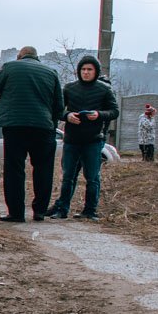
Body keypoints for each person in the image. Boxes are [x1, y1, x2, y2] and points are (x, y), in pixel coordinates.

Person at [0, 46, 64, 222]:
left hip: (15, 126)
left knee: (14, 170)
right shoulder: (51, 73)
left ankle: (16, 213)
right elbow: (59, 106)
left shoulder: (10, 67)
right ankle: (40, 211)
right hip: (43, 127)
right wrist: (51, 124)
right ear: (37, 57)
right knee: (43, 169)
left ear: (19, 56)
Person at [48, 55, 119, 221]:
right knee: (68, 177)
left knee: (92, 178)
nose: (86, 72)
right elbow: (57, 109)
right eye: (83, 69)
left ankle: (90, 210)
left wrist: (99, 114)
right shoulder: (69, 88)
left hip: (93, 140)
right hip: (72, 139)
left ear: (96, 71)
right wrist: (67, 116)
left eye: (89, 69)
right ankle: (62, 209)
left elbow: (114, 111)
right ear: (79, 71)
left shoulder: (104, 89)